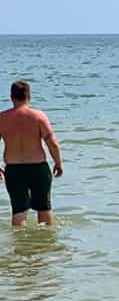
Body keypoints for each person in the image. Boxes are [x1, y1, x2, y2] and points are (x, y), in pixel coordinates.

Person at [0, 80, 64, 227]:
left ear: (11, 97)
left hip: (14, 169)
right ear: (29, 96)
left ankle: (21, 245)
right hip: (38, 168)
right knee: (44, 207)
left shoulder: (1, 118)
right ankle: (46, 243)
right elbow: (52, 143)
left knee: (18, 210)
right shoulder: (38, 116)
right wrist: (58, 163)